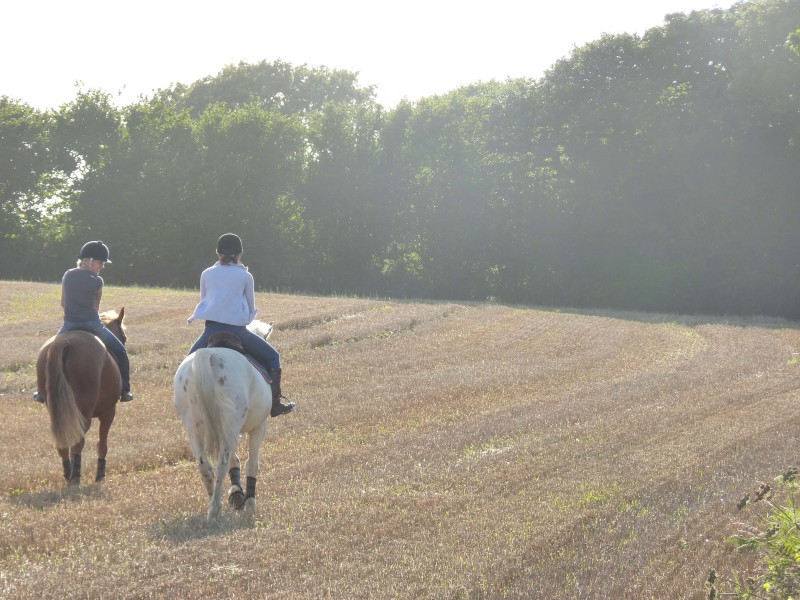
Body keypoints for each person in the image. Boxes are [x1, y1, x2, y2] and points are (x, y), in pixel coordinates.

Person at [187, 233, 295, 417]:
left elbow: (204, 301)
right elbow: (251, 307)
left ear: (217, 252)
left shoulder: (206, 273)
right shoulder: (245, 276)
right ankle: (275, 404)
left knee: (187, 364)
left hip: (210, 330)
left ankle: (187, 405)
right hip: (237, 331)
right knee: (273, 357)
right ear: (240, 254)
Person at [33, 241, 134, 403]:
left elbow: (63, 303)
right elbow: (96, 306)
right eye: (101, 262)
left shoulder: (68, 275)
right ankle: (125, 390)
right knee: (121, 351)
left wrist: (74, 315)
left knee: (47, 353)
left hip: (69, 324)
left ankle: (40, 391)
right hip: (93, 324)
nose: (102, 266)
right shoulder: (98, 281)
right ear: (90, 260)